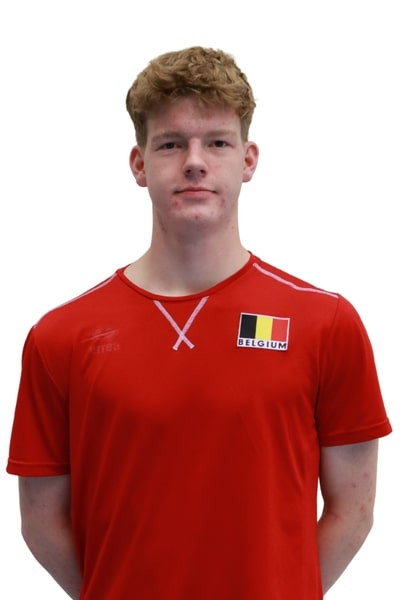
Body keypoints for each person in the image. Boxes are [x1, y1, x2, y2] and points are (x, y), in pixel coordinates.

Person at [7, 46, 391, 599]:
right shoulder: (61, 337)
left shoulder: (325, 323)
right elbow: (42, 523)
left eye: (217, 142)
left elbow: (353, 510)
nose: (194, 161)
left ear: (248, 160)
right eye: (170, 143)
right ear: (139, 164)